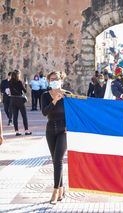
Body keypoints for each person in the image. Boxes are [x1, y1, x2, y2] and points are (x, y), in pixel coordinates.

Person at [41, 71, 68, 204]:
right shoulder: (45, 95)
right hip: (50, 129)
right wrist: (55, 100)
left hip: (63, 130)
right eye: (51, 79)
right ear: (48, 81)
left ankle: (55, 191)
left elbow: (74, 113)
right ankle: (62, 188)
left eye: (56, 79)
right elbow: (44, 112)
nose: (54, 81)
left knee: (58, 159)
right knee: (56, 161)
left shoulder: (67, 95)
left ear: (61, 80)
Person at [9, 70, 32, 136]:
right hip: (19, 100)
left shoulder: (10, 82)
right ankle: (26, 130)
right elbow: (24, 91)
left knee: (15, 116)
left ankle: (17, 131)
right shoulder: (19, 82)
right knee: (24, 115)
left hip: (13, 99)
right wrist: (26, 85)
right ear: (18, 75)